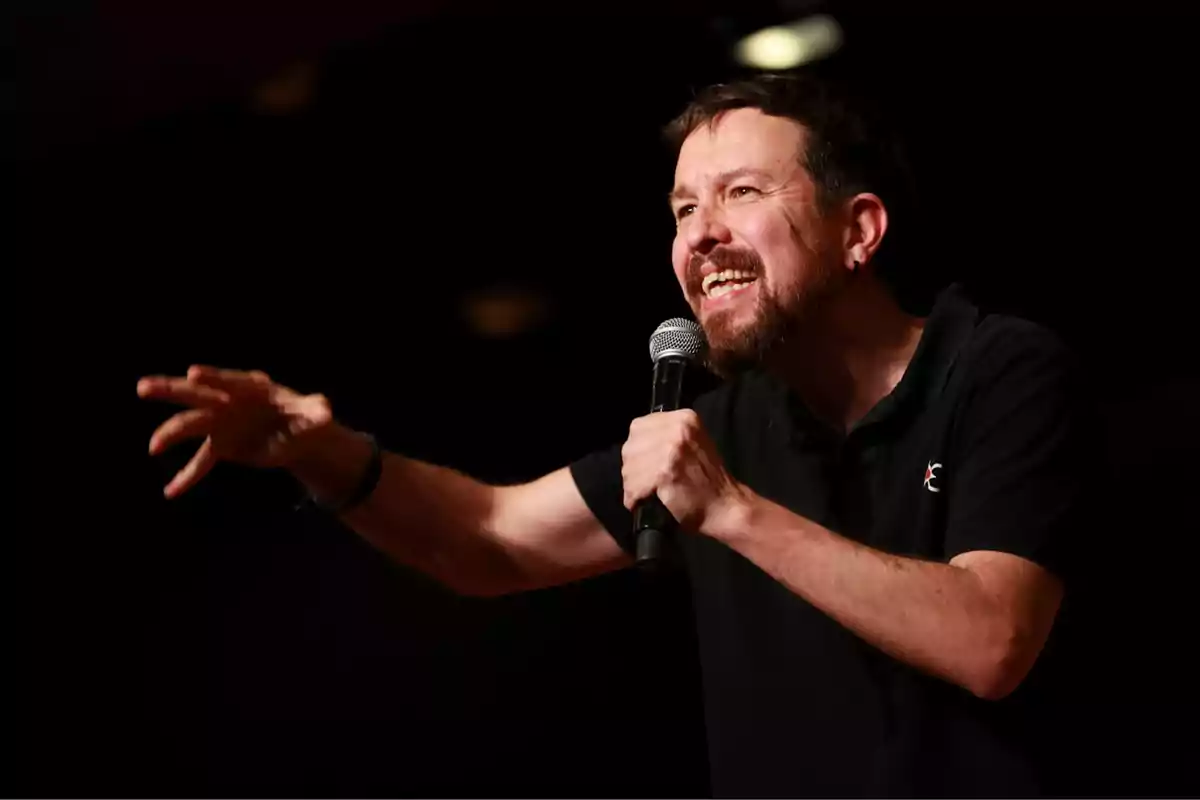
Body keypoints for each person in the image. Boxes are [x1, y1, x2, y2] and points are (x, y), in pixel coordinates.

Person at [138, 73, 1096, 796]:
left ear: (861, 231)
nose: (700, 235)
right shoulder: (725, 425)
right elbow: (494, 540)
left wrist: (728, 510)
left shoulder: (995, 369)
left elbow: (993, 639)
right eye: (684, 208)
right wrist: (324, 450)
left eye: (741, 194)